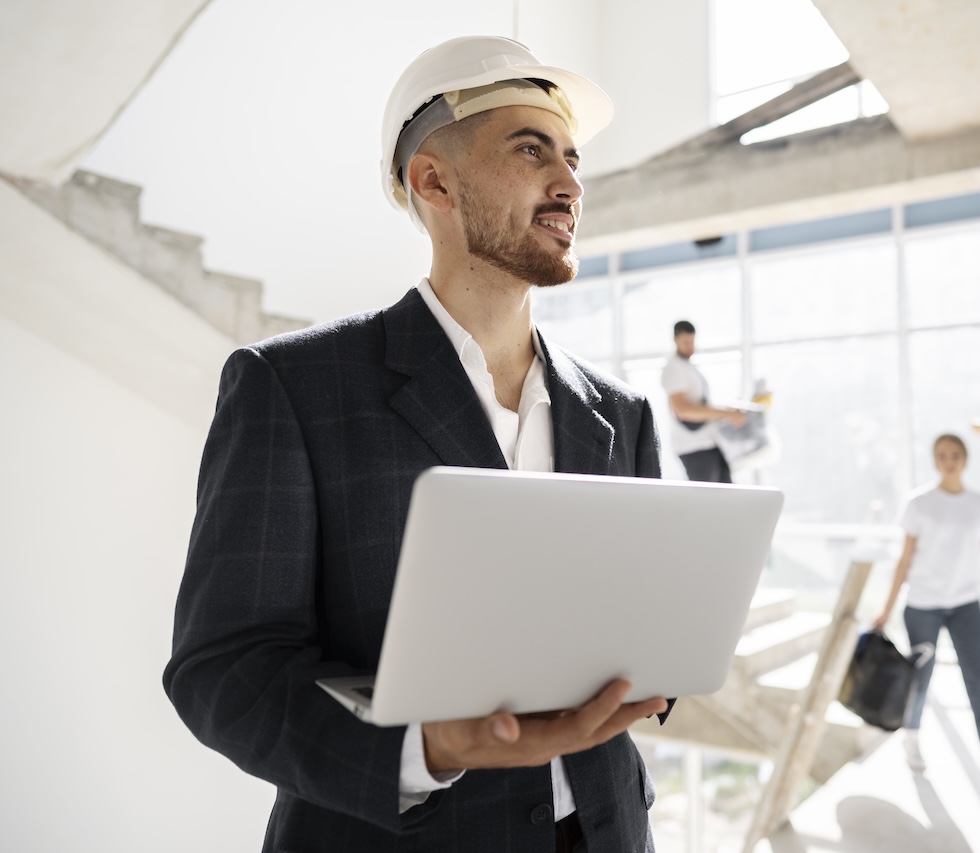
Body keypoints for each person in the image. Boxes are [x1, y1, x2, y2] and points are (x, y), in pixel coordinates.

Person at [163, 36, 672, 852]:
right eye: (532, 150)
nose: (571, 184)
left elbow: (647, 636)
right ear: (434, 181)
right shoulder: (291, 387)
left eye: (573, 158)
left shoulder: (623, 413)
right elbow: (225, 669)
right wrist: (424, 747)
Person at [873, 434, 980, 803]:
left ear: (965, 459)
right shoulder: (919, 504)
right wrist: (886, 609)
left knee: (979, 687)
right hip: (923, 604)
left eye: (955, 454)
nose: (949, 460)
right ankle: (912, 736)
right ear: (935, 460)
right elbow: (904, 560)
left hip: (965, 605)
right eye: (942, 455)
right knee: (920, 680)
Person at [660, 319, 747, 482]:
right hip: (694, 447)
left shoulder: (687, 366)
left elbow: (702, 405)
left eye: (692, 341)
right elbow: (683, 410)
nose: (690, 346)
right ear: (675, 340)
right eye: (686, 342)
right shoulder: (673, 368)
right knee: (708, 497)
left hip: (710, 442)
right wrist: (726, 414)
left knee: (727, 493)